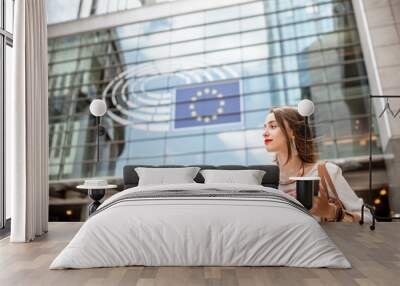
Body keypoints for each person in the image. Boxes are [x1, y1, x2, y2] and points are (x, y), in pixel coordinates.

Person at [263, 106, 371, 222]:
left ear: (293, 131)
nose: (264, 133)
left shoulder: (326, 171)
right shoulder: (263, 181)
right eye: (264, 128)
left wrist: (330, 211)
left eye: (273, 126)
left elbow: (368, 219)